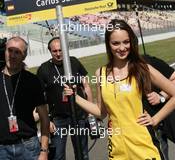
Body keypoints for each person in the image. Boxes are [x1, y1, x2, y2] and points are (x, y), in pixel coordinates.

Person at [64, 19, 175, 160]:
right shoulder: (101, 73)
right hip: (117, 148)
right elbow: (101, 111)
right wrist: (76, 97)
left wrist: (155, 119)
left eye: (126, 42)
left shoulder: (143, 68)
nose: (122, 48)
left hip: (144, 145)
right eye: (116, 43)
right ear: (108, 45)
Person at [37, 37, 93, 160]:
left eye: (61, 50)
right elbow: (40, 99)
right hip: (57, 119)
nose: (58, 54)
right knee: (57, 155)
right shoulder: (43, 69)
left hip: (79, 116)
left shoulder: (74, 62)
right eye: (54, 51)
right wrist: (47, 121)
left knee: (82, 154)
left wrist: (90, 113)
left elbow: (86, 87)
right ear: (50, 51)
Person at [0, 36, 49, 160]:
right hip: (2, 149)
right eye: (10, 50)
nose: (13, 55)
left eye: (18, 52)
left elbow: (44, 117)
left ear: (24, 56)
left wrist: (44, 151)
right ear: (4, 52)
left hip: (28, 146)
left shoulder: (33, 81)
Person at [143, 54, 175, 160]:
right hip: (140, 129)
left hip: (163, 120)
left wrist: (162, 96)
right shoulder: (112, 73)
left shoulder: (148, 62)